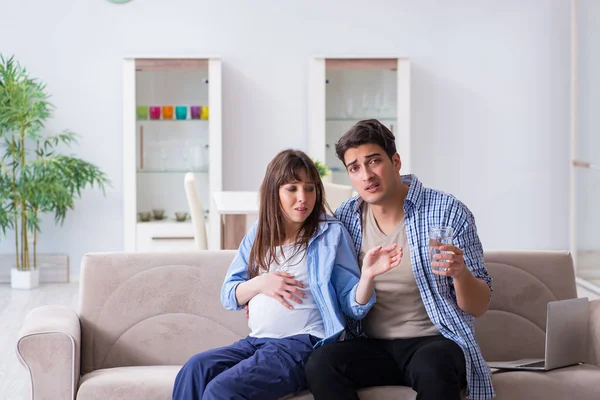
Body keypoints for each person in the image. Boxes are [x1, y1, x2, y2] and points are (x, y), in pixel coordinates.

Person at [173, 149, 401, 400]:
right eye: (292, 188)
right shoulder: (259, 233)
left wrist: (367, 277)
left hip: (302, 344)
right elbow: (229, 295)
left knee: (223, 390)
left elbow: (353, 305)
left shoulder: (329, 233)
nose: (303, 198)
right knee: (194, 369)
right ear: (275, 192)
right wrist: (261, 283)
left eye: (310, 188)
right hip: (256, 342)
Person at [305, 120, 495, 400]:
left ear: (395, 161)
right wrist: (258, 287)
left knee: (435, 368)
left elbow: (478, 306)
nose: (367, 175)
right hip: (371, 345)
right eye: (355, 168)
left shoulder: (447, 212)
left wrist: (460, 273)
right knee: (321, 363)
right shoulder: (346, 217)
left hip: (434, 342)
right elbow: (308, 257)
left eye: (374, 161)